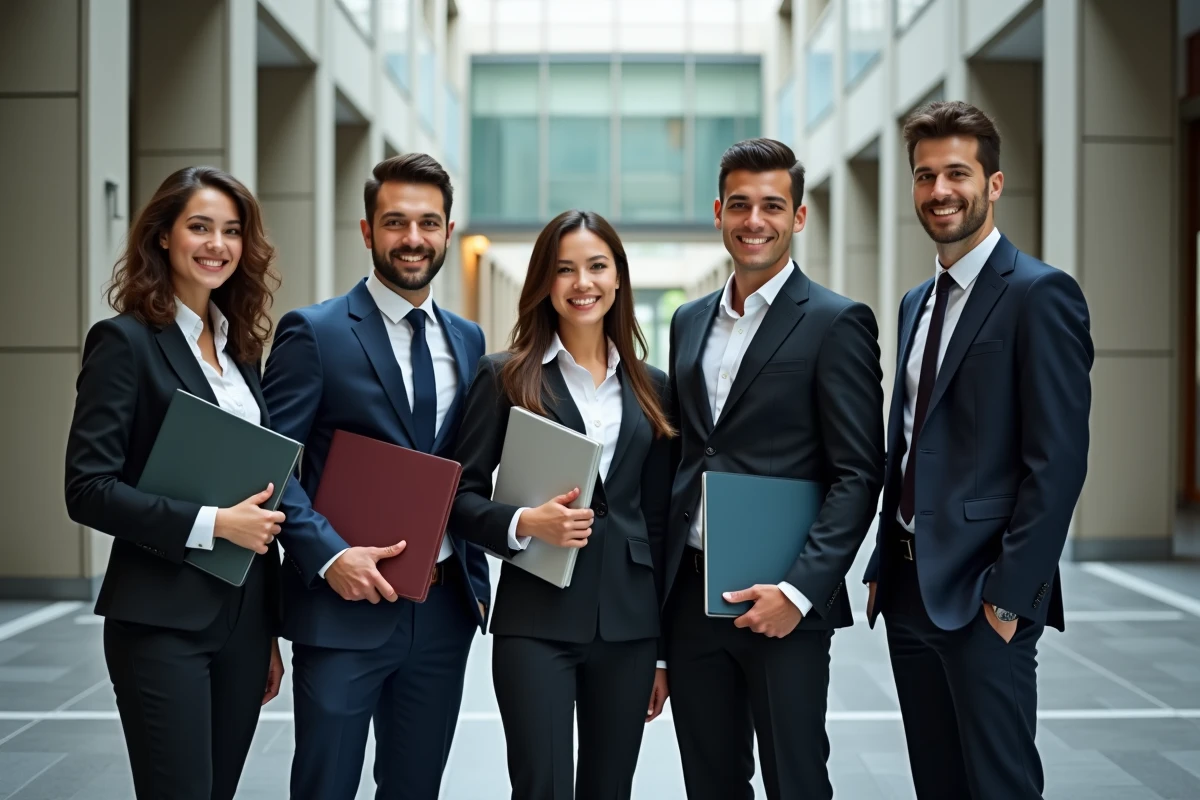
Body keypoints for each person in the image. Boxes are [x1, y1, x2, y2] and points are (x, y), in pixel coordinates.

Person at [861, 100, 1093, 800]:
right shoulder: (914, 304)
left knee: (999, 787)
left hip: (984, 599)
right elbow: (907, 441)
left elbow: (1058, 462)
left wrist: (1009, 598)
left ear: (993, 184)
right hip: (907, 592)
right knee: (938, 784)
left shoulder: (1040, 294)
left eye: (956, 173)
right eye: (925, 175)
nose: (939, 191)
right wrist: (880, 558)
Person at [262, 153, 490, 800]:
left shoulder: (469, 340)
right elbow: (271, 465)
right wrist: (329, 557)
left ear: (448, 231)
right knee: (326, 785)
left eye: (427, 222)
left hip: (443, 609)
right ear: (367, 231)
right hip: (342, 607)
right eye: (395, 222)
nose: (412, 239)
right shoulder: (314, 332)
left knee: (415, 788)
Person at [661, 138, 885, 800]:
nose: (753, 220)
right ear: (718, 212)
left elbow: (858, 473)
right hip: (693, 600)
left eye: (771, 206)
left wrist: (799, 591)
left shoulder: (836, 322)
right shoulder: (688, 320)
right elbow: (686, 453)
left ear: (799, 216)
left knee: (797, 780)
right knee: (710, 782)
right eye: (739, 205)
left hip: (784, 603)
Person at [64, 166, 286, 799]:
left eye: (232, 231)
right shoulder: (124, 343)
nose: (217, 244)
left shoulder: (242, 349)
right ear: (162, 236)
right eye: (199, 227)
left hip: (242, 623)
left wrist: (267, 633)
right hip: (160, 621)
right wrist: (214, 523)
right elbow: (87, 487)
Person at [450, 209, 672, 800]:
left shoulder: (654, 387)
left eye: (597, 267)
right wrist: (524, 522)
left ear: (619, 277)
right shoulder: (504, 376)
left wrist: (661, 652)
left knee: (609, 789)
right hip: (536, 623)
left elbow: (658, 522)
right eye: (565, 269)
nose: (583, 284)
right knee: (540, 786)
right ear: (545, 282)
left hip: (627, 629)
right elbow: (458, 497)